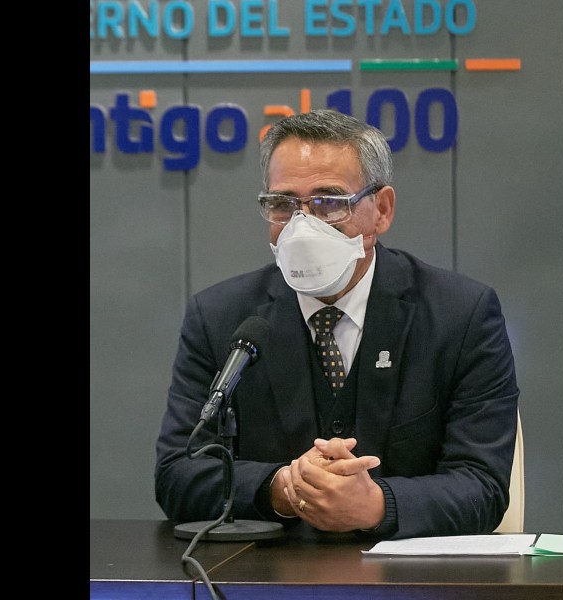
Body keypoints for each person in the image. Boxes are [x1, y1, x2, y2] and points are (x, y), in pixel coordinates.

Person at [155, 109, 519, 540]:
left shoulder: (460, 315)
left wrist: (376, 504)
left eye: (328, 202)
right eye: (283, 205)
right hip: (268, 571)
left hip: (409, 572)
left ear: (381, 210)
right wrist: (282, 488)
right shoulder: (221, 318)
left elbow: (483, 486)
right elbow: (178, 473)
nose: (302, 225)